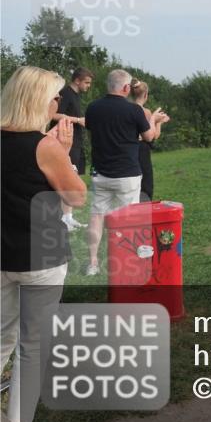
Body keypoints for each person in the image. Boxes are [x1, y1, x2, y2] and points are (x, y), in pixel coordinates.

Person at [1, 66, 87, 422]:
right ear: (38, 100)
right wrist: (65, 156)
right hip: (41, 255)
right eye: (55, 97)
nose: (58, 103)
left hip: (2, 254)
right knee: (32, 347)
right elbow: (76, 197)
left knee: (1, 337)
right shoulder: (45, 146)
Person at [84, 69, 167, 276]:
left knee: (96, 216)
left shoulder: (93, 108)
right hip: (127, 173)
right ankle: (125, 260)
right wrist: (154, 120)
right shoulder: (134, 111)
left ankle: (93, 263)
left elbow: (91, 129)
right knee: (129, 218)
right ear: (126, 88)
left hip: (100, 172)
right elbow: (148, 138)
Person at [53, 66, 93, 230]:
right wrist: (77, 120)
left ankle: (68, 217)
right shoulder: (65, 93)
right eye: (87, 82)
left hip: (74, 141)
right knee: (67, 178)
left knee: (73, 176)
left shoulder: (75, 95)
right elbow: (54, 115)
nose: (88, 86)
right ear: (77, 80)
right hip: (64, 142)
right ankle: (63, 218)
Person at [129, 79, 170, 202]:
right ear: (146, 95)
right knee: (145, 182)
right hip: (141, 149)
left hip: (129, 149)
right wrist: (159, 122)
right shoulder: (145, 112)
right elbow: (152, 136)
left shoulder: (128, 108)